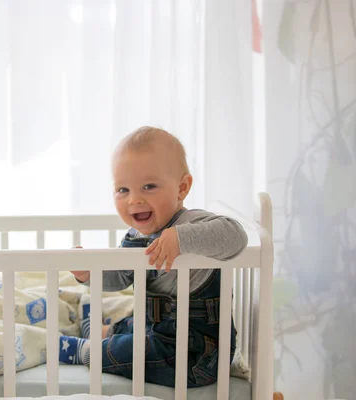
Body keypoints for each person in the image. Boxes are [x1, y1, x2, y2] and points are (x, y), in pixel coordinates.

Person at [58, 126, 248, 388]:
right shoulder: (136, 235)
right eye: (123, 189)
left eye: (149, 186)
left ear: (182, 188)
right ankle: (103, 332)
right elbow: (120, 276)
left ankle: (86, 351)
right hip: (155, 329)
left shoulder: (194, 224)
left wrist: (182, 239)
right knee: (131, 324)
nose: (134, 199)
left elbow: (236, 236)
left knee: (132, 350)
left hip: (193, 355)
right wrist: (89, 273)